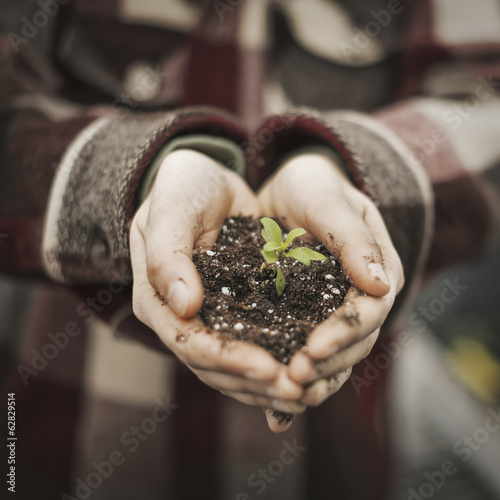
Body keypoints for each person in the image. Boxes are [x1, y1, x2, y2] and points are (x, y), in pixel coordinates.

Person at [0, 0, 499, 499]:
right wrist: (138, 178)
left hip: (323, 446)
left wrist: (348, 170)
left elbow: (484, 95)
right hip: (69, 418)